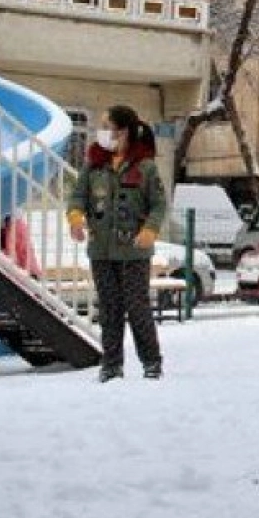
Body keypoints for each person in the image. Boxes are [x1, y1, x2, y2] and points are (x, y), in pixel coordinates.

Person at [68, 105, 168, 382]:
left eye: (108, 126)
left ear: (123, 132)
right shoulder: (94, 165)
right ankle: (111, 364)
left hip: (134, 252)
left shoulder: (145, 167)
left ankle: (151, 362)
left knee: (137, 307)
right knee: (110, 308)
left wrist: (150, 230)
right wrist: (76, 220)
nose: (103, 132)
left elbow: (159, 204)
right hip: (102, 250)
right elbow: (77, 197)